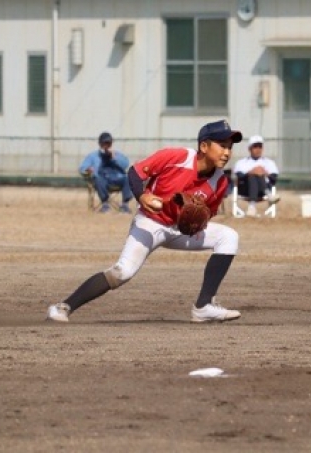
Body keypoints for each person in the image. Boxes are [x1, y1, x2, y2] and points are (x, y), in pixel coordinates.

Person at [47, 119, 243, 323]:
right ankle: (63, 307)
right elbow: (134, 172)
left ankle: (204, 306)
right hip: (151, 223)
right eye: (222, 145)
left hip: (180, 231)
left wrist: (195, 222)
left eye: (230, 147)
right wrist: (141, 196)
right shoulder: (177, 157)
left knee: (228, 237)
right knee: (122, 272)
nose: (227, 152)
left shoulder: (220, 181)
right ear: (204, 146)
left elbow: (208, 213)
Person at [79, 132, 133, 213]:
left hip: (117, 178)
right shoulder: (93, 156)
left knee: (128, 178)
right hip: (102, 179)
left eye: (108, 143)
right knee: (97, 178)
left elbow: (125, 164)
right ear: (100, 144)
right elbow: (82, 168)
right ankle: (105, 205)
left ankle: (125, 205)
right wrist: (88, 169)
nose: (106, 146)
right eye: (104, 143)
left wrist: (114, 157)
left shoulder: (117, 154)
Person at [232, 135, 281, 217]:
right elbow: (239, 176)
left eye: (260, 147)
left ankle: (252, 207)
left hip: (262, 190)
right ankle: (269, 195)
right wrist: (251, 172)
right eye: (255, 147)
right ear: (250, 148)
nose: (258, 149)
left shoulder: (269, 163)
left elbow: (274, 179)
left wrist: (265, 173)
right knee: (253, 176)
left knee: (258, 174)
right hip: (246, 189)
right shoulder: (242, 162)